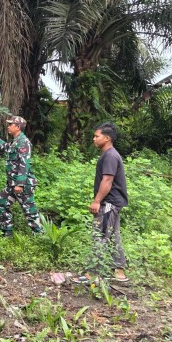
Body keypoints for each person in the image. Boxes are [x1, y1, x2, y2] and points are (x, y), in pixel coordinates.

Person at [75, 122, 129, 284]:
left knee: (99, 235)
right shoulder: (109, 154)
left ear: (107, 138)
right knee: (112, 235)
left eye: (97, 136)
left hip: (109, 202)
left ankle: (92, 273)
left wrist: (97, 201)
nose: (94, 139)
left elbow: (107, 180)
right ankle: (119, 271)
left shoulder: (110, 156)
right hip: (114, 202)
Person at [0, 116, 44, 236]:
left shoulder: (24, 142)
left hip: (23, 185)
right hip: (12, 184)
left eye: (11, 124)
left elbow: (24, 163)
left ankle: (40, 236)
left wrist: (20, 184)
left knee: (30, 212)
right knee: (2, 204)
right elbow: (6, 147)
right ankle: (7, 233)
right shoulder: (16, 141)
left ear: (18, 127)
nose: (8, 126)